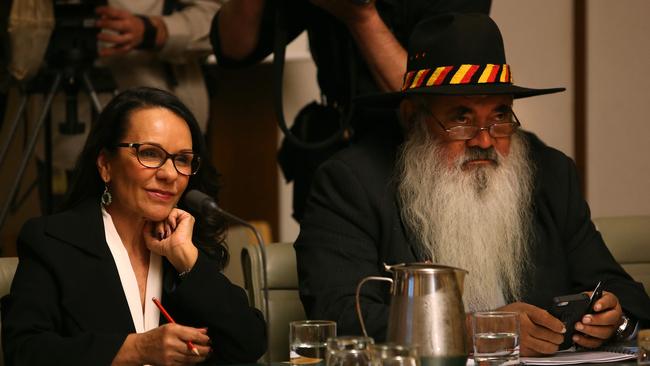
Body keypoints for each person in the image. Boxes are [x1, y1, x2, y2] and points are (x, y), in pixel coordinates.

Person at [294, 13, 650, 356]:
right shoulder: (350, 183)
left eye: (499, 116)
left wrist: (612, 318)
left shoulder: (551, 173)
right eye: (461, 118)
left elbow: (624, 293)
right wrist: (469, 331)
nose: (484, 140)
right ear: (412, 118)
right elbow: (338, 316)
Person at [2, 87, 267, 365]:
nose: (168, 174)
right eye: (150, 154)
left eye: (182, 160)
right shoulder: (52, 240)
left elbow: (249, 344)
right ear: (105, 165)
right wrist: (137, 349)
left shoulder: (186, 243)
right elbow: (24, 351)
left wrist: (187, 260)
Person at [210, 0, 491, 221]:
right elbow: (235, 46)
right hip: (335, 150)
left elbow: (441, 97)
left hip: (419, 160)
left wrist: (361, 16)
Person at [33, 0, 221, 211]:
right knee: (66, 232)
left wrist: (155, 30)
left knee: (176, 227)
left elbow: (220, 24)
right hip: (65, 124)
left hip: (161, 115)